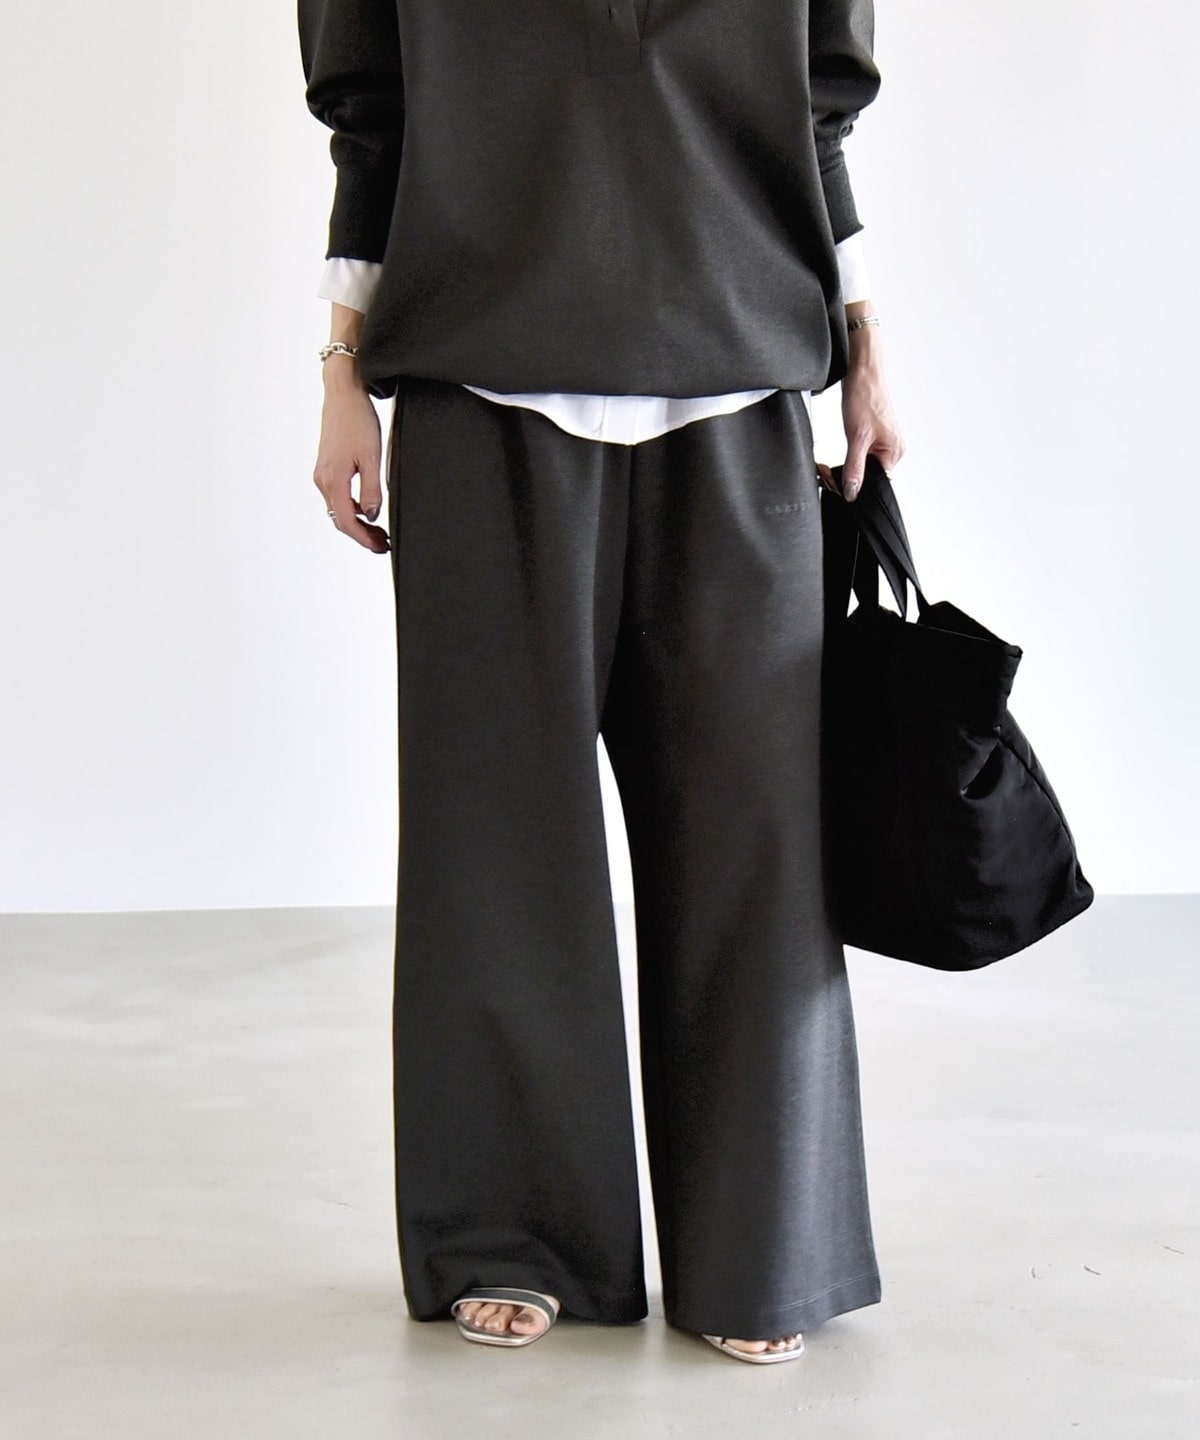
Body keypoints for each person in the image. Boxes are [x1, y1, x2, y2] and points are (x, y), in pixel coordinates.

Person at [298, 0, 905, 1363]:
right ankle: (513, 1235)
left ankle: (762, 1251)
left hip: (740, 378)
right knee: (494, 847)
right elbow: (372, 118)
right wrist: (340, 369)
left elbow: (819, 113)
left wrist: (867, 342)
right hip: (482, 381)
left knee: (758, 851)